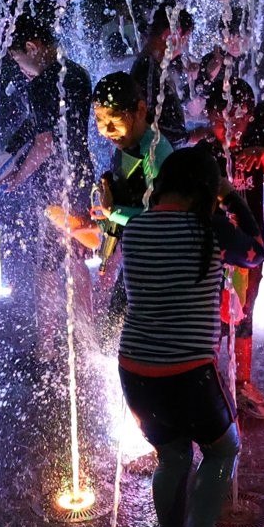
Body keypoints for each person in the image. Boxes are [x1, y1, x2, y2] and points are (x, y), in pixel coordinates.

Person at [117, 146, 264, 527]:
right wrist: (232, 198)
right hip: (189, 370)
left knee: (174, 455)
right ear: (203, 187)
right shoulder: (208, 227)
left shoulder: (136, 227)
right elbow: (255, 253)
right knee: (223, 449)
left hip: (137, 369)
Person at [3, 14, 94, 363]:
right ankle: (87, 344)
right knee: (77, 257)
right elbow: (46, 124)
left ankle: (46, 350)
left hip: (55, 180)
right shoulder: (78, 73)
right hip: (81, 172)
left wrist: (18, 176)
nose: (19, 66)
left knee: (47, 264)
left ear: (31, 47)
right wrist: (12, 147)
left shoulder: (41, 84)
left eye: (18, 58)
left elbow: (45, 143)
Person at [201, 77, 264, 420]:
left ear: (250, 117)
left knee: (246, 312)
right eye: (225, 121)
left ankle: (244, 381)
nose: (233, 128)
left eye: (241, 119)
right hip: (218, 252)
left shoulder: (254, 150)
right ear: (211, 117)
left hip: (251, 251)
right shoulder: (206, 155)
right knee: (213, 319)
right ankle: (211, 386)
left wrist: (263, 156)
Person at [90, 72, 173, 332]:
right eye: (100, 122)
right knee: (112, 332)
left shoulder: (154, 152)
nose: (107, 131)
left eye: (114, 120)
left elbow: (161, 218)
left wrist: (112, 211)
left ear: (140, 110)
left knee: (123, 333)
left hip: (158, 263)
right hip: (138, 258)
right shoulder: (129, 144)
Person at [130, 3, 194, 148]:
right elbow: (149, 126)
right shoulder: (148, 70)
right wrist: (190, 136)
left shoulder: (152, 66)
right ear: (169, 35)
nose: (184, 46)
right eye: (185, 38)